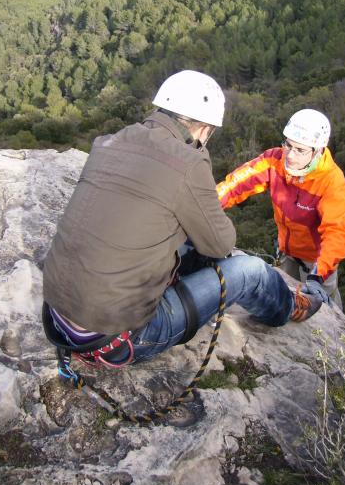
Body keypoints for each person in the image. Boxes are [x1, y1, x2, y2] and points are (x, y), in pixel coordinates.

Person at [43, 72, 326, 368]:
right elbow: (221, 243)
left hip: (58, 317)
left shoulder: (108, 142)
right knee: (251, 270)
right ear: (204, 129)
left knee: (182, 242)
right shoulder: (188, 161)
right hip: (121, 337)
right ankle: (291, 307)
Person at [217, 109, 345, 309]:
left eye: (300, 150)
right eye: (288, 145)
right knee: (285, 300)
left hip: (317, 262)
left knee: (323, 309)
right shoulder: (275, 161)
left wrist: (318, 275)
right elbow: (238, 183)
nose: (290, 155)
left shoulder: (331, 181)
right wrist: (207, 205)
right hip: (287, 251)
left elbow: (335, 234)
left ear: (318, 150)